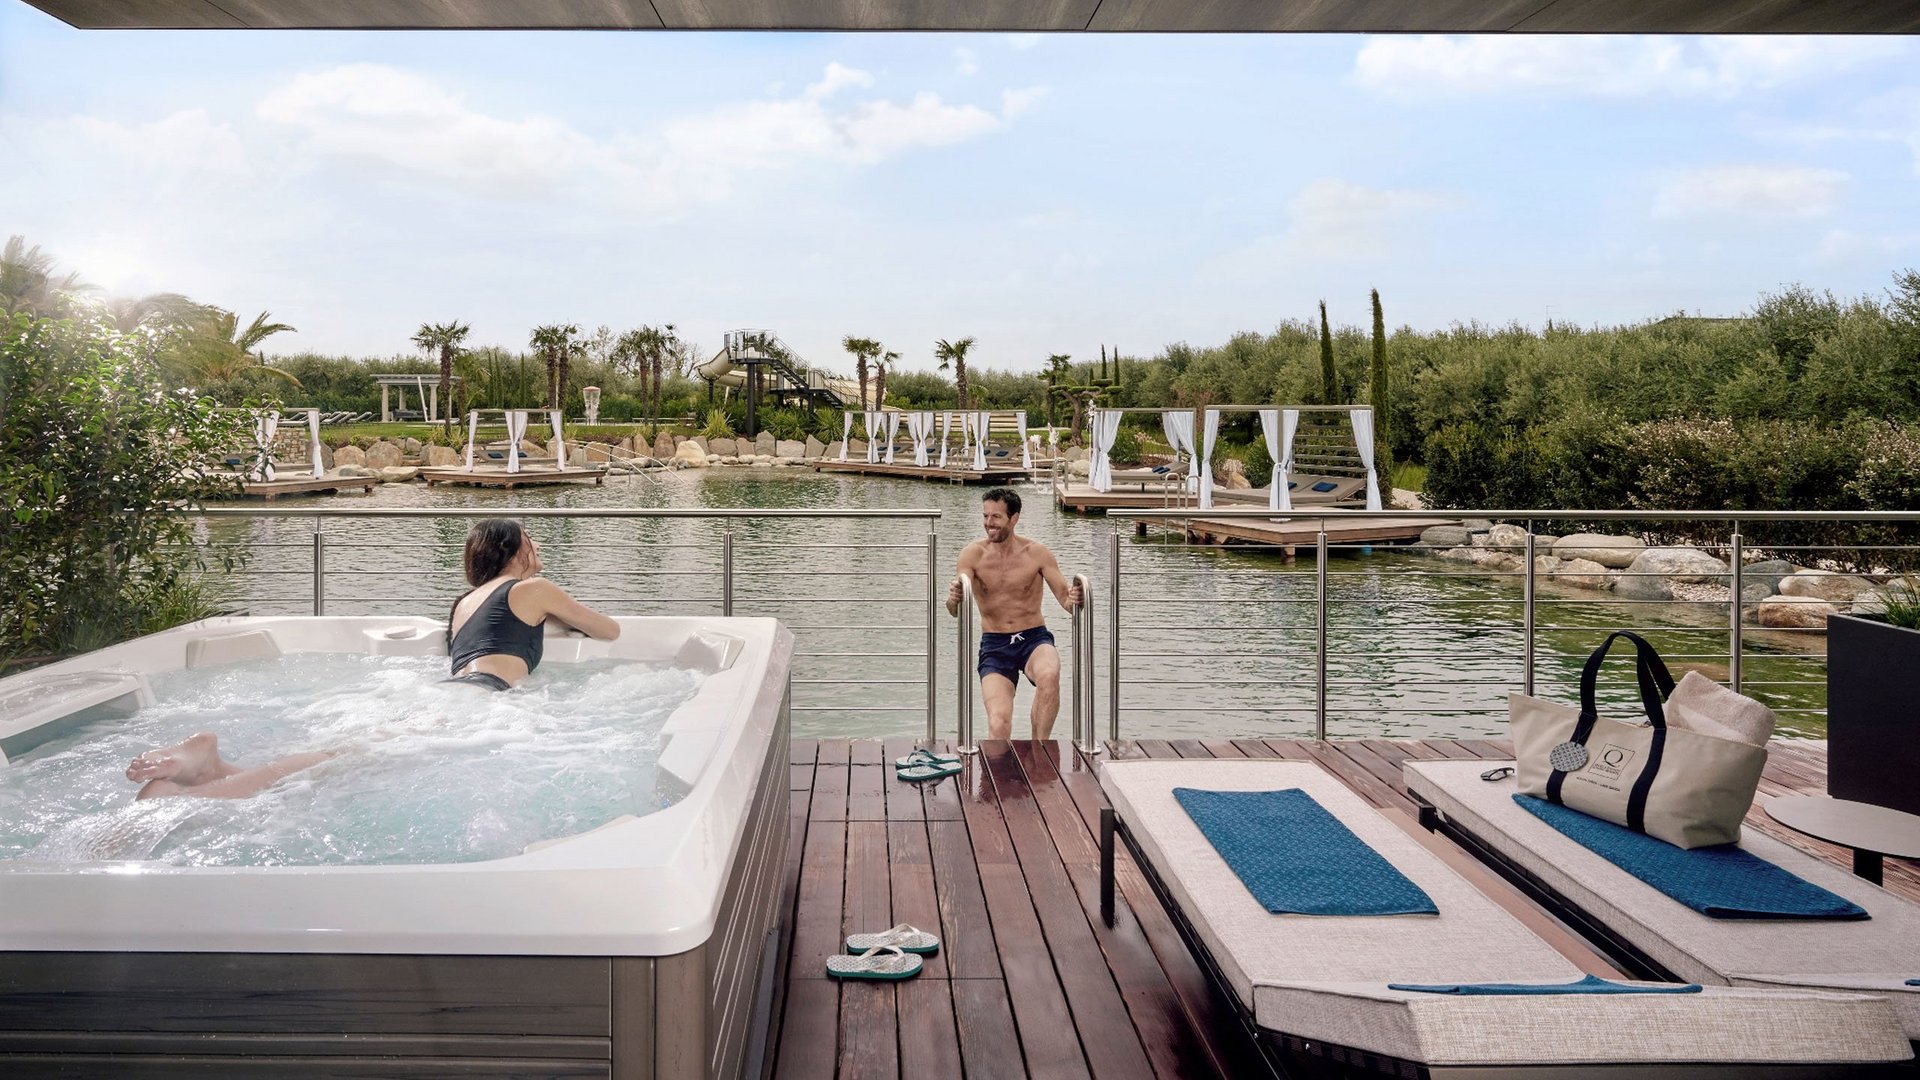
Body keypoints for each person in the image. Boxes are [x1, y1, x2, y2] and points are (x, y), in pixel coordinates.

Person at [126, 518, 620, 799]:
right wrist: (554, 601)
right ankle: (187, 797)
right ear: (515, 549)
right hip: (477, 698)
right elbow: (608, 629)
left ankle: (216, 766)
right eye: (531, 540)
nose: (538, 548)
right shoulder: (533, 588)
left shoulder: (464, 603)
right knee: (347, 760)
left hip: (450, 693)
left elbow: (509, 631)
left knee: (349, 752)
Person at [945, 487, 1082, 741]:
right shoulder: (972, 555)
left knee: (1049, 675)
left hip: (1033, 638)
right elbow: (954, 609)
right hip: (995, 645)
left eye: (996, 517)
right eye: (985, 516)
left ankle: (1039, 753)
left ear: (1014, 518)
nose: (989, 523)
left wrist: (1075, 598)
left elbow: (1065, 599)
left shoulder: (1037, 553)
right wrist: (953, 600)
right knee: (999, 724)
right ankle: (1001, 776)